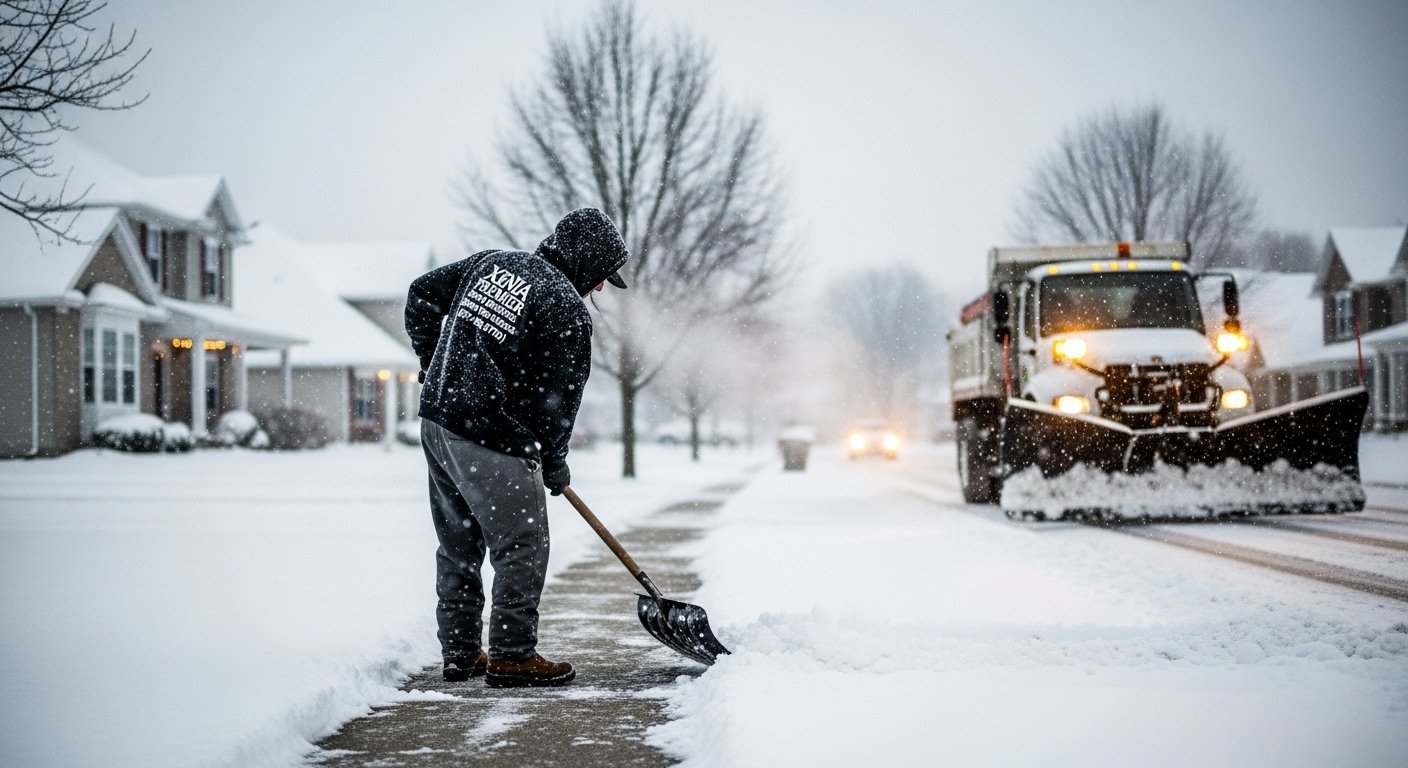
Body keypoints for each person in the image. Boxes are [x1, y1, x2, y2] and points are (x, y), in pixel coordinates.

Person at [404, 208, 628, 688]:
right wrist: (555, 462)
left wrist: (434, 365)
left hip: (439, 424)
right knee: (522, 545)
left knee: (459, 545)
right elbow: (557, 405)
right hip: (490, 434)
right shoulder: (566, 306)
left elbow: (421, 294)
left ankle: (462, 654)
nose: (601, 289)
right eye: (603, 277)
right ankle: (511, 655)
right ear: (587, 263)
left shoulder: (490, 263)